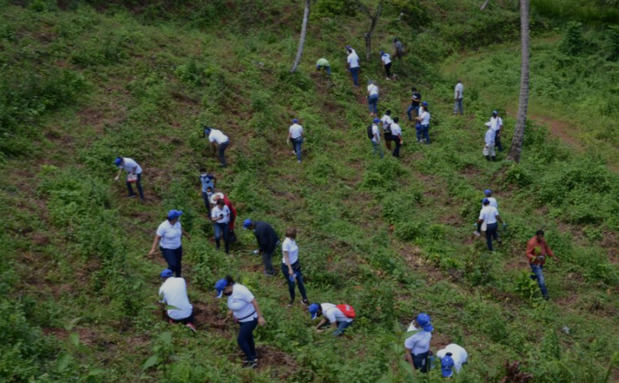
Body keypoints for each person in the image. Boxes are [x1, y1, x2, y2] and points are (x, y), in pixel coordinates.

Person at [215, 276, 266, 368]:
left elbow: (254, 302)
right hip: (241, 320)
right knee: (248, 338)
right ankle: (253, 356)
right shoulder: (230, 292)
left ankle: (251, 361)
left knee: (241, 340)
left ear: (227, 287)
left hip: (251, 319)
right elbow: (235, 303)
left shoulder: (241, 290)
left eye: (223, 292)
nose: (223, 294)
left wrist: (260, 317)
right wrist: (231, 312)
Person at [148, 210, 189, 277]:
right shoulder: (163, 226)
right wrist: (153, 249)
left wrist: (187, 235)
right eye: (178, 216)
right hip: (167, 248)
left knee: (178, 264)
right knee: (173, 265)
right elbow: (157, 237)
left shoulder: (177, 223)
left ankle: (178, 277)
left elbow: (181, 229)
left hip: (178, 247)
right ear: (174, 218)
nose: (179, 217)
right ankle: (165, 276)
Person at [526, 230, 559, 300]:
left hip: (541, 263)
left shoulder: (543, 241)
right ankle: (545, 296)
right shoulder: (532, 242)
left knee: (534, 276)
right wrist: (535, 257)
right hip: (535, 264)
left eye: (542, 237)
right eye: (540, 237)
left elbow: (547, 249)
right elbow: (528, 253)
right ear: (536, 236)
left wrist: (553, 256)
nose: (541, 238)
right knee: (541, 279)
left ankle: (526, 284)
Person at [282, 227, 309, 306]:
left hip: (296, 265)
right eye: (289, 236)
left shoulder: (292, 240)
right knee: (292, 284)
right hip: (288, 267)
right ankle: (292, 300)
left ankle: (305, 299)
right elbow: (286, 257)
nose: (289, 237)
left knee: (300, 282)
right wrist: (290, 269)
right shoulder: (286, 243)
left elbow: (295, 230)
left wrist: (298, 230)